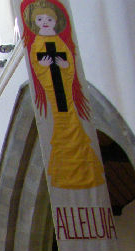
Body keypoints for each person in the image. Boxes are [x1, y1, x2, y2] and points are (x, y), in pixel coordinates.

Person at [22, 0, 104, 190]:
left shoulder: (60, 41)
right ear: (34, 21)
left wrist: (65, 66)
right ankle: (65, 172)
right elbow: (37, 65)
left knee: (74, 124)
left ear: (55, 21)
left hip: (65, 88)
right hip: (52, 91)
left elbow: (70, 64)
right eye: (40, 19)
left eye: (49, 19)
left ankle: (82, 168)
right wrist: (44, 67)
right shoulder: (36, 44)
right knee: (59, 124)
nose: (44, 22)